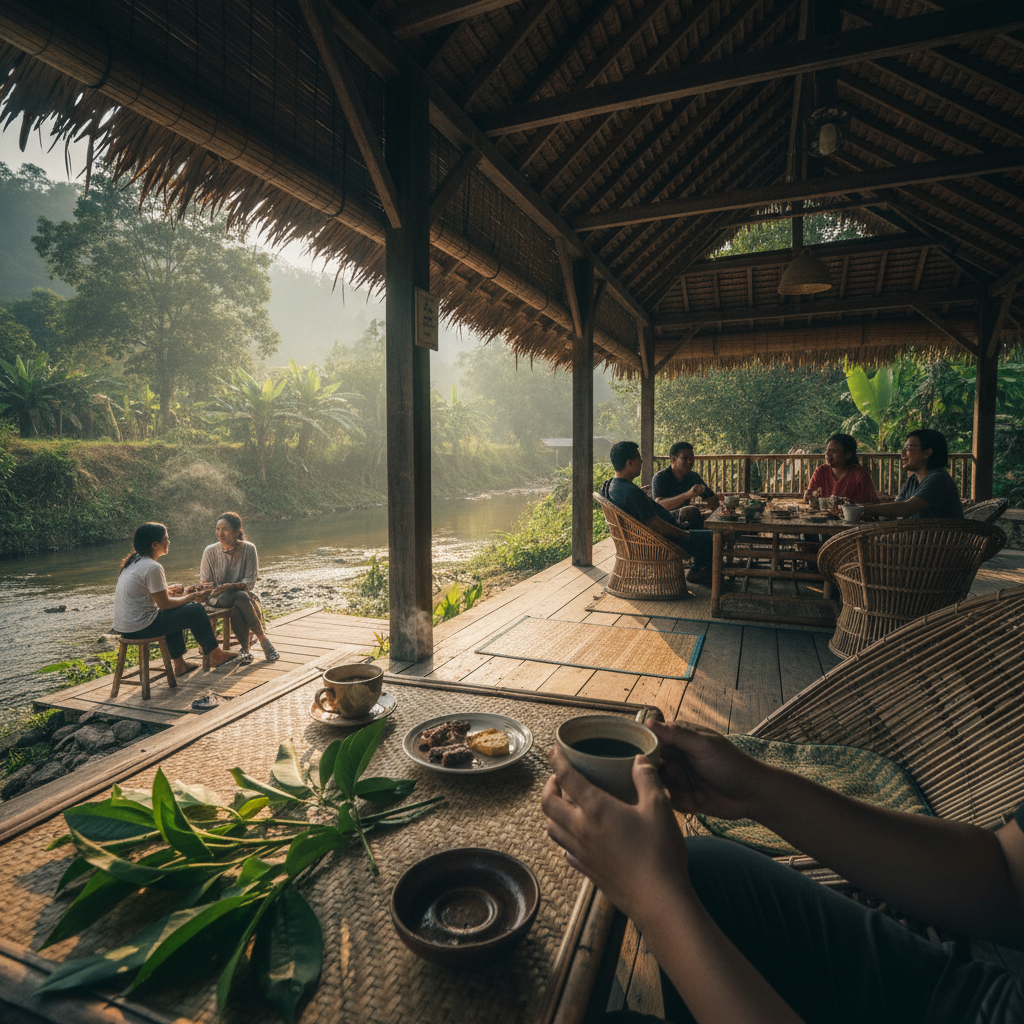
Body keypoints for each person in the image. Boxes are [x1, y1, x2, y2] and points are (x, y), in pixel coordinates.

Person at [541, 719, 1024, 1024]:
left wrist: (653, 899)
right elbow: (1006, 875)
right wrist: (756, 791)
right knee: (705, 866)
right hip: (977, 997)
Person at [112, 522, 237, 675]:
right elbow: (164, 604)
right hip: (141, 628)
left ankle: (180, 665)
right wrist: (191, 597)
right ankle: (215, 655)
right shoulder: (152, 567)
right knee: (195, 610)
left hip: (125, 628)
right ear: (155, 544)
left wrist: (170, 590)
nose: (169, 542)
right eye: (166, 539)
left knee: (174, 612)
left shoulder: (134, 561)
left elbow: (147, 594)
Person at [602, 441, 714, 585]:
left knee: (695, 518)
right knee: (715, 536)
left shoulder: (612, 485)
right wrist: (684, 534)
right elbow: (655, 525)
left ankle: (700, 569)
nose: (641, 462)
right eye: (639, 458)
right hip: (663, 541)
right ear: (629, 463)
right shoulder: (632, 493)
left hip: (655, 534)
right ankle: (700, 571)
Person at [199, 511, 279, 664]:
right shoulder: (210, 551)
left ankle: (245, 651)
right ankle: (264, 641)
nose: (220, 533)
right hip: (217, 597)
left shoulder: (249, 549)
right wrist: (219, 587)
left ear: (237, 532)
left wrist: (234, 586)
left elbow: (250, 581)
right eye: (217, 529)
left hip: (242, 596)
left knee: (239, 601)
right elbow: (206, 583)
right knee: (241, 597)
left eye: (225, 529)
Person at [866, 429, 964, 520]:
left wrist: (862, 509)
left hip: (941, 538)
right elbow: (896, 509)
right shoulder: (913, 479)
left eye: (908, 448)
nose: (902, 453)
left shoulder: (939, 479)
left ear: (927, 453)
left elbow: (905, 509)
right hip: (918, 537)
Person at [653, 442, 720, 527]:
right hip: (665, 522)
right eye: (685, 458)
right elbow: (659, 505)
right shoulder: (661, 477)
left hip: (686, 521)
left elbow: (713, 501)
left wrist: (712, 501)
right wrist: (688, 494)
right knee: (690, 511)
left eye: (691, 458)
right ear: (673, 460)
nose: (689, 462)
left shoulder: (693, 477)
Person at [802, 433, 878, 505]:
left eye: (834, 451)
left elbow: (873, 505)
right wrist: (809, 496)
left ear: (848, 455)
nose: (828, 454)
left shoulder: (860, 476)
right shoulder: (821, 471)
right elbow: (810, 496)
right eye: (827, 450)